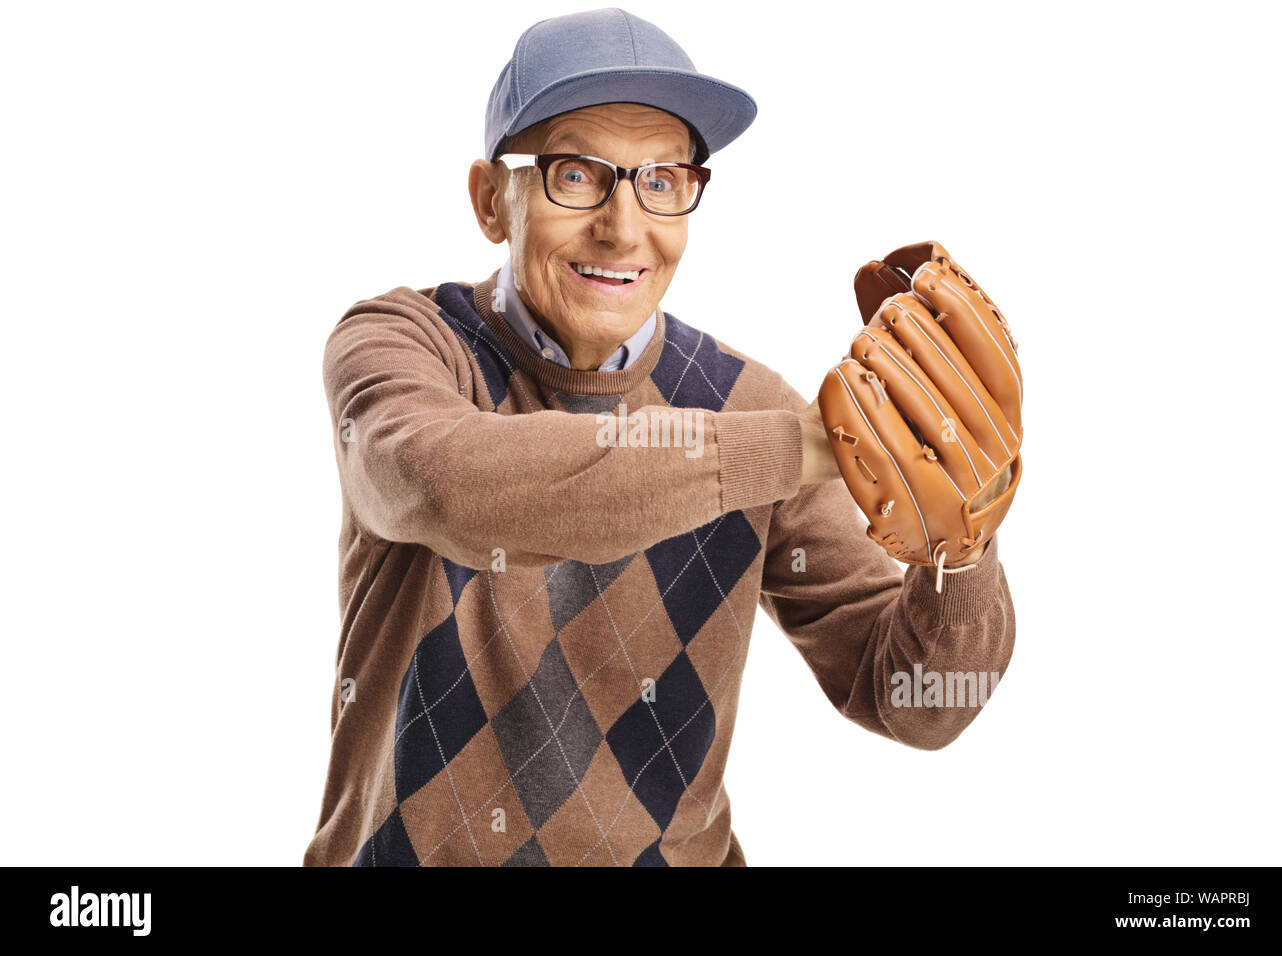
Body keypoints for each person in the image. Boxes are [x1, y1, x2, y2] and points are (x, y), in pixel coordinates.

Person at [303, 7, 1015, 867]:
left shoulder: (754, 403)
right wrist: (811, 447)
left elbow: (912, 702)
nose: (624, 225)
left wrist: (963, 551)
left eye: (663, 180)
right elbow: (448, 484)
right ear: (494, 199)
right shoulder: (403, 343)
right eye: (577, 175)